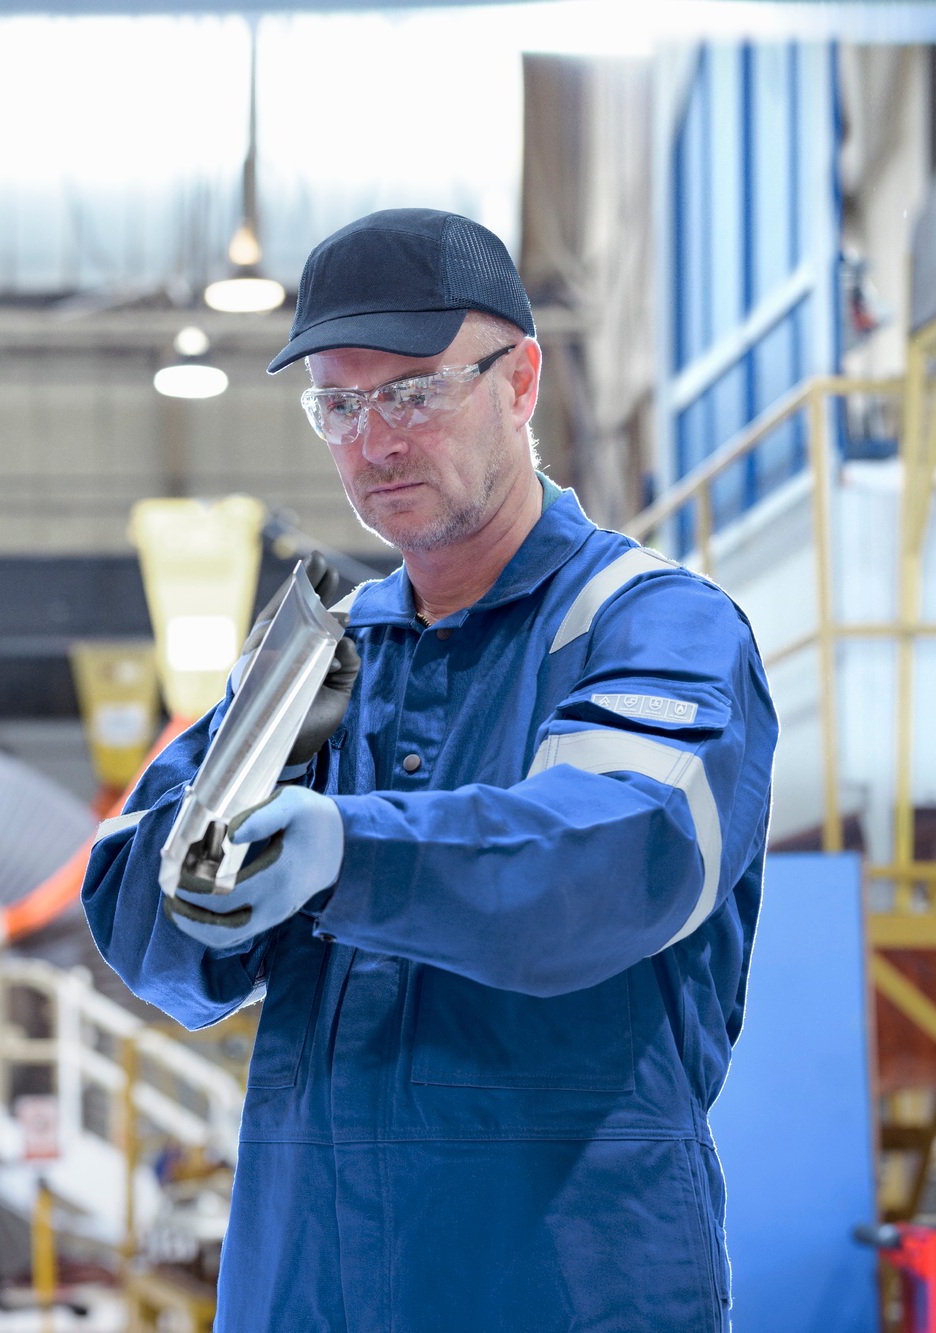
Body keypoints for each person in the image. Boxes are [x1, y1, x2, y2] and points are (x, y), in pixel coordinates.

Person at [83, 208, 775, 1331]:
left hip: (562, 1292)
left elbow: (612, 856)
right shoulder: (319, 656)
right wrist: (196, 896)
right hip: (304, 1290)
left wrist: (350, 851)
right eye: (338, 406)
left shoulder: (651, 629)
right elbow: (131, 888)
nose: (374, 442)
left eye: (411, 392)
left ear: (519, 382)